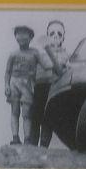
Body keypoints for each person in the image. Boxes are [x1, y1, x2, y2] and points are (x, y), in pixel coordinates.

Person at [29, 19, 68, 147]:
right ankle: (32, 146)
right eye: (52, 33)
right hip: (40, 88)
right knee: (35, 117)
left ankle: (44, 146)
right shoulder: (38, 53)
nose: (55, 36)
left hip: (55, 89)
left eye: (59, 34)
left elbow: (63, 71)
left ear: (63, 38)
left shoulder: (67, 55)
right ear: (47, 36)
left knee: (49, 118)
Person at [4, 25, 39, 144]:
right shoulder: (13, 54)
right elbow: (7, 72)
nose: (21, 37)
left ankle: (27, 138)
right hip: (14, 83)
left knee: (26, 112)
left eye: (25, 34)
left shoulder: (35, 53)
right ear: (15, 37)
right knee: (15, 111)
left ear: (30, 37)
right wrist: (6, 85)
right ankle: (15, 137)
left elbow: (45, 65)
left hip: (28, 84)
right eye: (19, 34)